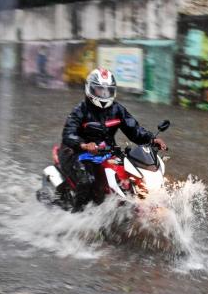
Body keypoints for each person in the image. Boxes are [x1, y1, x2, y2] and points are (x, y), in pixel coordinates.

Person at [59, 68, 167, 212]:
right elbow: (68, 134)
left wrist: (152, 139)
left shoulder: (117, 110)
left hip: (106, 152)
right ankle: (77, 217)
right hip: (75, 152)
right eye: (99, 90)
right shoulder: (80, 110)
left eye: (107, 91)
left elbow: (134, 130)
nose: (104, 94)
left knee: (129, 177)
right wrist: (83, 144)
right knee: (87, 181)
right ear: (90, 89)